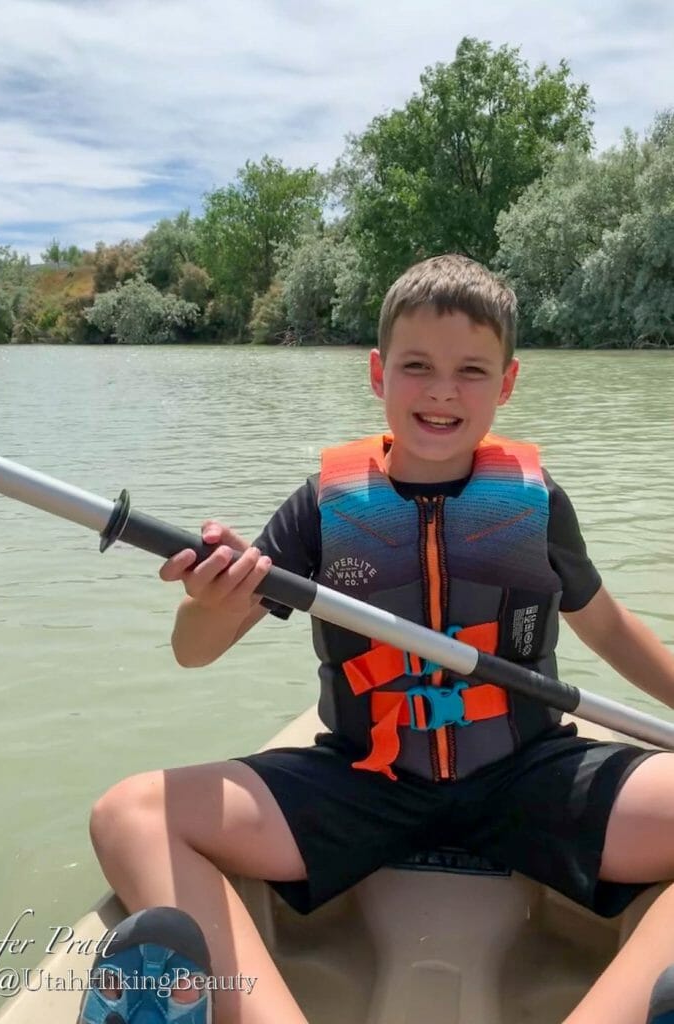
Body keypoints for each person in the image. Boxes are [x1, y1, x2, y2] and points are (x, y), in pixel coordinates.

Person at [88, 254, 674, 1024]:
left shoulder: (537, 503)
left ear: (505, 383)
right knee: (128, 814)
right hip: (363, 778)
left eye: (470, 371)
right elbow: (194, 651)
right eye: (416, 366)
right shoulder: (322, 506)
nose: (441, 390)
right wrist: (210, 603)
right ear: (377, 373)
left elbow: (606, 627)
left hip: (524, 773)